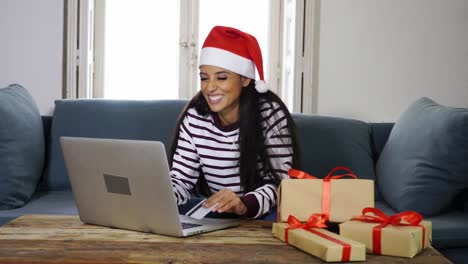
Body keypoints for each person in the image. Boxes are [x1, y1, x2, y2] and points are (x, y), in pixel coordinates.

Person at [169, 25, 299, 219]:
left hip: (261, 215)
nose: (210, 87)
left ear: (245, 79)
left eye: (221, 78)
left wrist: (243, 204)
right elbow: (180, 180)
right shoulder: (195, 117)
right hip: (217, 214)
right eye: (204, 78)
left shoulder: (271, 115)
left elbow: (281, 185)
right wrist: (160, 195)